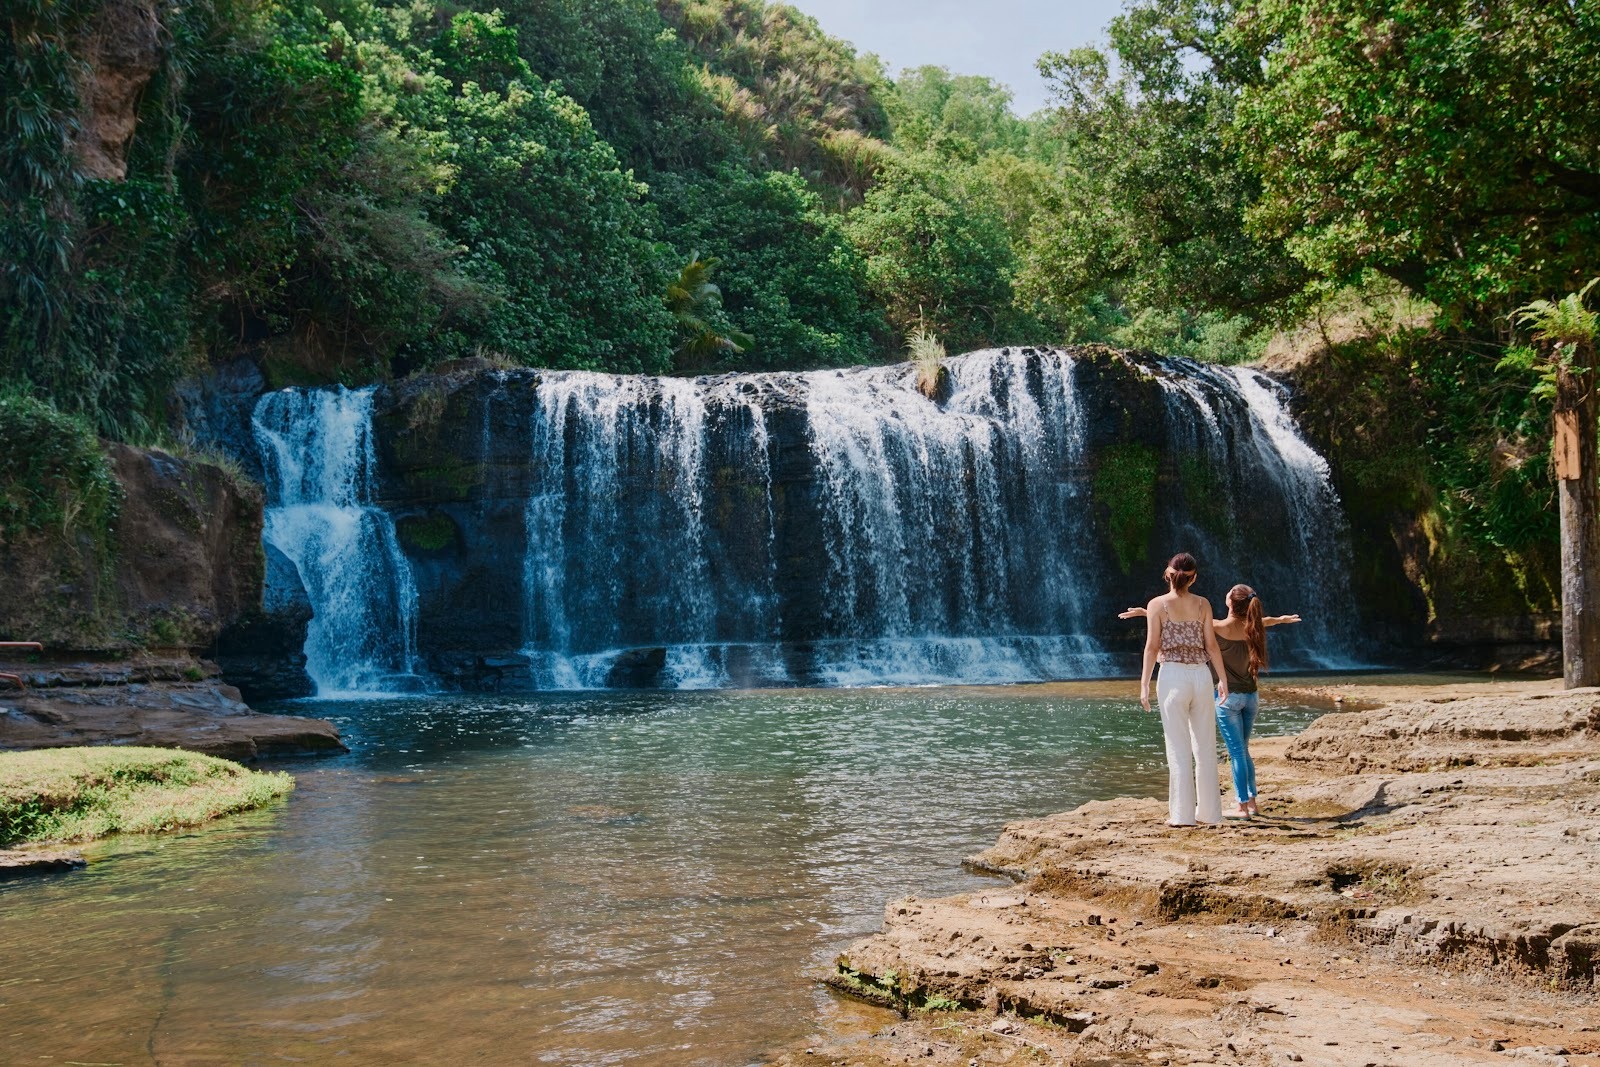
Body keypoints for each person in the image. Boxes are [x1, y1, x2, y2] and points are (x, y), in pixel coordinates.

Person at [1121, 585, 1301, 817]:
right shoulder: (1254, 626)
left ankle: (1242, 807)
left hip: (1229, 699)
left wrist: (1147, 613)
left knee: (1237, 753)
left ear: (1230, 602)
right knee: (1243, 751)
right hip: (1251, 696)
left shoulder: (1218, 627)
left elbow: (1184, 622)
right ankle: (1252, 803)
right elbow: (1267, 621)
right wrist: (1282, 619)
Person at [1137, 552, 1230, 827]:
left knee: (1178, 748)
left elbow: (1152, 647)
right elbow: (1212, 646)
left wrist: (1144, 684)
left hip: (1172, 676)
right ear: (1194, 578)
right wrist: (1222, 679)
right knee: (1205, 748)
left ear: (1168, 575)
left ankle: (1182, 816)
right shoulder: (1203, 604)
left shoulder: (1157, 605)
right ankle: (1210, 814)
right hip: (1201, 676)